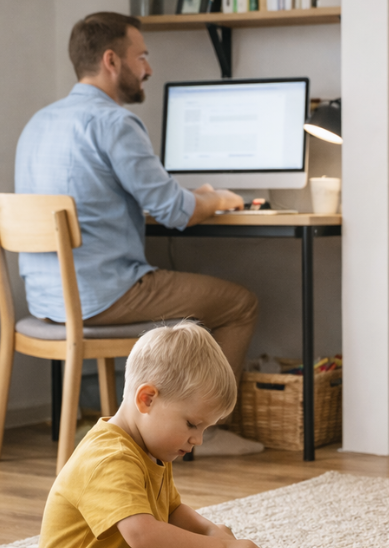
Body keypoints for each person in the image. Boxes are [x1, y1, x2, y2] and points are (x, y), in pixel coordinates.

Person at [15, 13, 262, 452]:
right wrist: (220, 199)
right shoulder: (115, 123)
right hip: (104, 294)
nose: (148, 68)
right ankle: (206, 428)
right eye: (141, 56)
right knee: (239, 304)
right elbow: (174, 210)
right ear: (112, 60)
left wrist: (192, 195)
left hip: (49, 298)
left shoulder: (38, 122)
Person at [32, 321, 266, 548]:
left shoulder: (154, 447)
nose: (198, 440)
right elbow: (143, 536)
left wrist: (216, 538)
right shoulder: (107, 457)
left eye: (205, 429)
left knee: (222, 540)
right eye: (193, 425)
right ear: (148, 399)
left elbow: (172, 511)